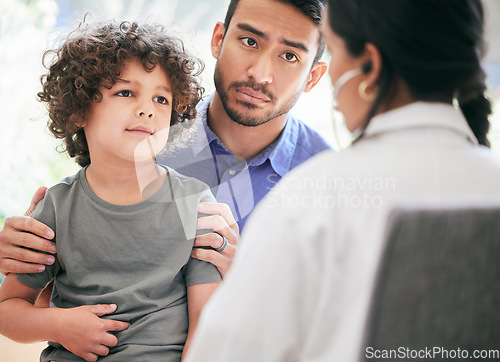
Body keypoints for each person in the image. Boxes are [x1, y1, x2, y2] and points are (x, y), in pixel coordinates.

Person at [185, 0, 500, 361]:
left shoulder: (311, 192)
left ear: (368, 66)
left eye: (332, 52)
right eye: (250, 42)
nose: (261, 73)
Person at [0, 0, 331, 279]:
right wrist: (33, 250)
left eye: (290, 56)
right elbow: (71, 283)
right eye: (249, 41)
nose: (259, 73)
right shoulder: (141, 134)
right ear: (218, 39)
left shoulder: (331, 185)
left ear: (313, 76)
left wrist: (246, 279)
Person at [0, 20, 221, 362]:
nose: (147, 108)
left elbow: (207, 327)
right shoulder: (57, 207)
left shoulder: (195, 204)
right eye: (126, 92)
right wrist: (58, 324)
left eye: (161, 98)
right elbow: (8, 310)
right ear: (79, 111)